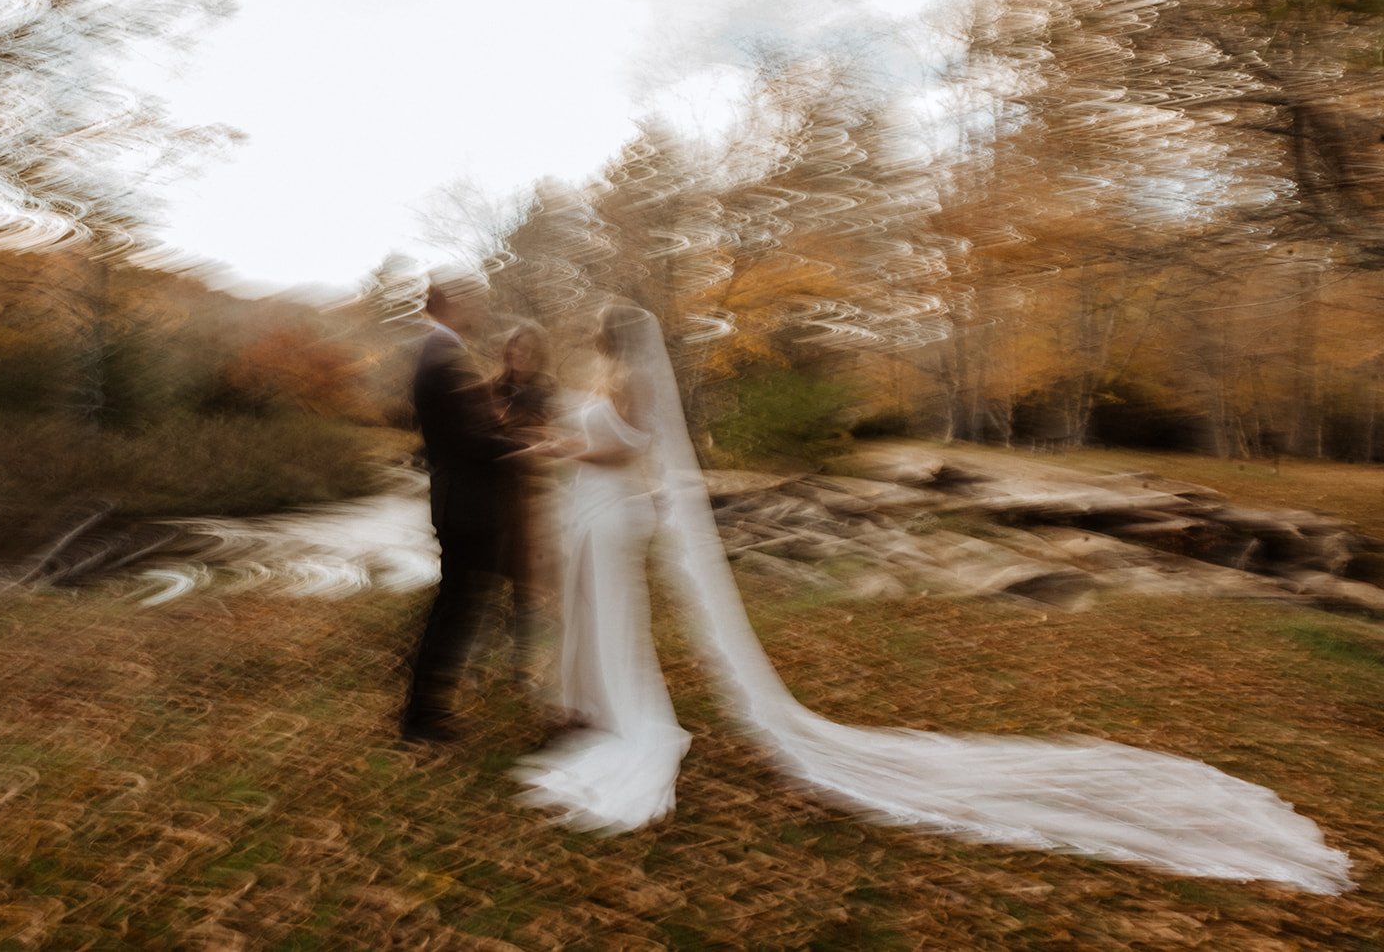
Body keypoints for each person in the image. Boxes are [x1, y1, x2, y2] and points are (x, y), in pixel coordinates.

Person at [513, 300, 1352, 893]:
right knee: (602, 617)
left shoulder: (624, 381)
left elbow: (622, 446)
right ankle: (598, 706)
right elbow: (620, 442)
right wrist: (565, 444)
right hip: (603, 515)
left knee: (614, 620)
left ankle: (627, 723)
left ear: (609, 334)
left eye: (596, 325)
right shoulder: (617, 371)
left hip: (606, 512)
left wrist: (559, 450)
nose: (589, 330)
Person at [400, 273, 519, 743]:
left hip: (460, 502)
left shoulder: (441, 350)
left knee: (459, 607)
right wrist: (523, 449)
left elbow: (467, 432)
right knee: (457, 610)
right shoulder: (445, 355)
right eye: (478, 300)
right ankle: (424, 716)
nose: (483, 309)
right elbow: (472, 441)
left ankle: (426, 707)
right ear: (454, 302)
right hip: (468, 506)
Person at [489, 322, 557, 687]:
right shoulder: (491, 389)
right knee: (486, 580)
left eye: (530, 349)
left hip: (533, 498)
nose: (522, 355)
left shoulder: (548, 392)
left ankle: (522, 667)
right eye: (517, 347)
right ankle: (477, 662)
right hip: (494, 496)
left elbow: (556, 441)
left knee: (527, 587)